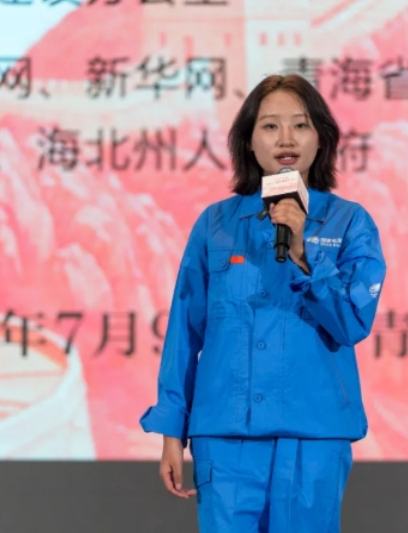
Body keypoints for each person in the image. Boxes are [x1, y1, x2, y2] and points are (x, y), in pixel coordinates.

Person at [139, 73, 387, 533]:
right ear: (249, 141)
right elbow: (184, 331)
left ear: (321, 138)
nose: (286, 138)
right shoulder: (215, 224)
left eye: (300, 125)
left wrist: (303, 252)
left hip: (313, 433)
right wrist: (172, 429)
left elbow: (353, 322)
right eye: (270, 126)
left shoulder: (350, 223)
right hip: (226, 436)